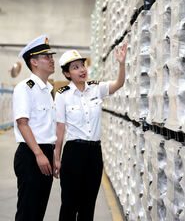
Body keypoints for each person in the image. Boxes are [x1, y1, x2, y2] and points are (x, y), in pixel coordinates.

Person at [54, 44, 127, 221]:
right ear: (67, 74)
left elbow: (118, 84)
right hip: (73, 153)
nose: (81, 70)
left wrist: (122, 64)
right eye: (75, 67)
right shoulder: (62, 95)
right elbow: (60, 128)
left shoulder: (96, 88)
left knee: (88, 205)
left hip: (94, 153)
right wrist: (57, 157)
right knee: (70, 204)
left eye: (82, 65)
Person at [13, 35, 57, 221]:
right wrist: (39, 154)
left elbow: (47, 127)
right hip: (31, 155)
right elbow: (22, 123)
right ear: (34, 62)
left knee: (38, 212)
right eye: (47, 56)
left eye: (51, 56)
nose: (52, 60)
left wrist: (52, 154)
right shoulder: (25, 88)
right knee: (28, 213)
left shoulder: (47, 89)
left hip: (44, 152)